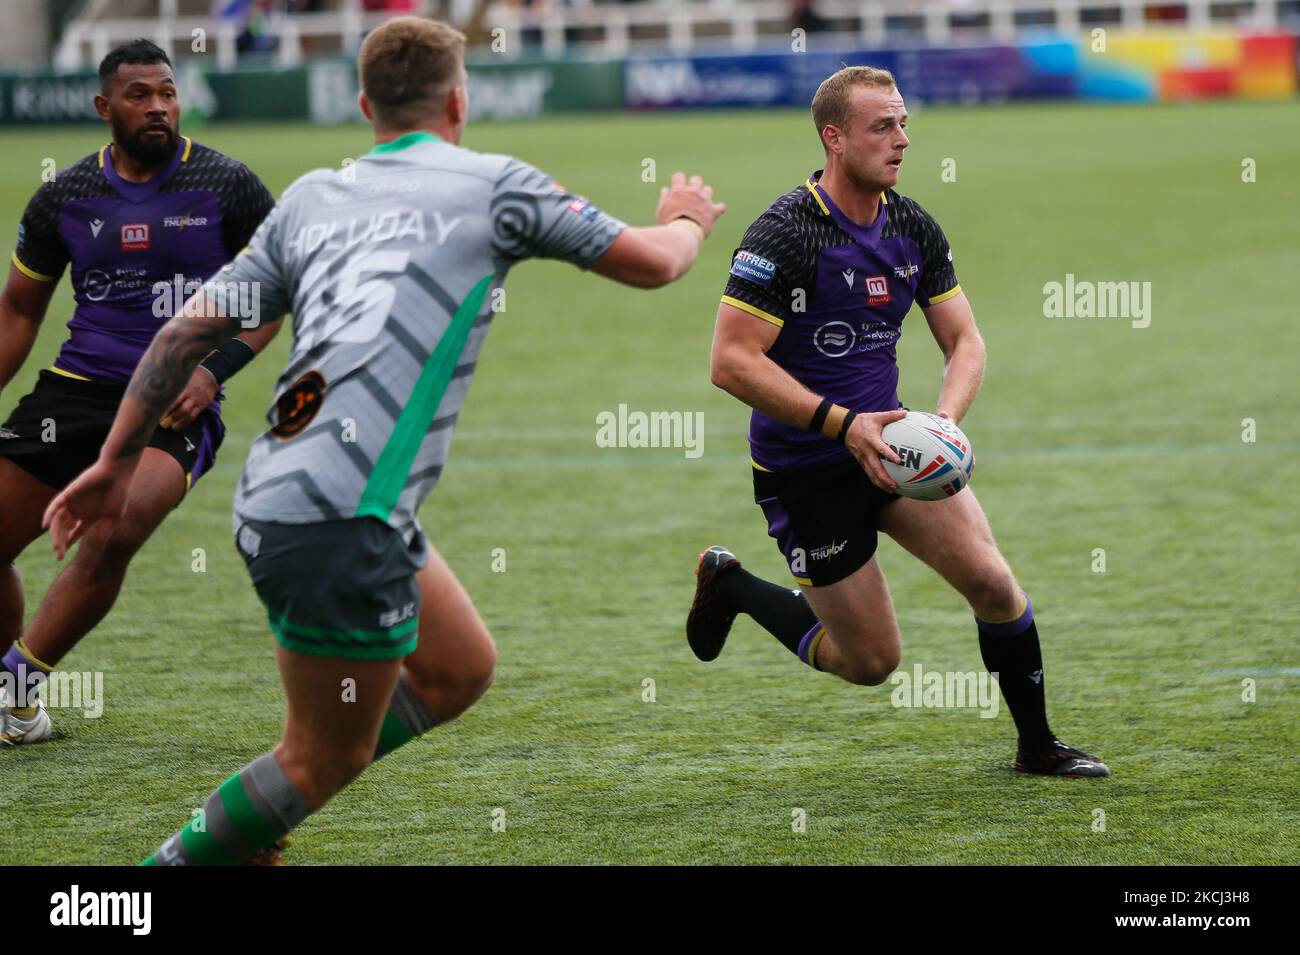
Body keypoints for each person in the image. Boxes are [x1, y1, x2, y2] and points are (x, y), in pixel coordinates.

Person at [44, 16, 726, 864]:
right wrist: (690, 218)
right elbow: (657, 261)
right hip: (344, 512)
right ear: (460, 102)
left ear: (364, 103)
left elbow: (176, 338)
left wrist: (112, 464)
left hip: (282, 490)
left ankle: (263, 810)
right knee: (322, 757)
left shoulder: (310, 198)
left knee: (460, 666)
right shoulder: (496, 185)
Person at [687, 65, 1109, 777]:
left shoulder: (910, 225)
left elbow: (965, 339)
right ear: (834, 137)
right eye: (882, 126)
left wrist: (941, 423)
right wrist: (842, 424)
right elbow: (731, 362)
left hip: (894, 451)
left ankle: (1037, 746)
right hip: (807, 470)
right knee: (871, 661)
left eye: (904, 123)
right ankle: (732, 585)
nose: (902, 139)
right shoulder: (785, 234)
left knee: (996, 585)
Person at [0, 39, 279, 744]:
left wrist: (212, 371)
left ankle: (13, 684)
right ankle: (17, 707)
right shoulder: (63, 196)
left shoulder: (229, 184)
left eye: (167, 92)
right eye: (138, 95)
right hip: (75, 391)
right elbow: (20, 312)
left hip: (173, 400)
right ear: (104, 107)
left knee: (114, 530)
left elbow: (271, 302)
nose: (158, 107)